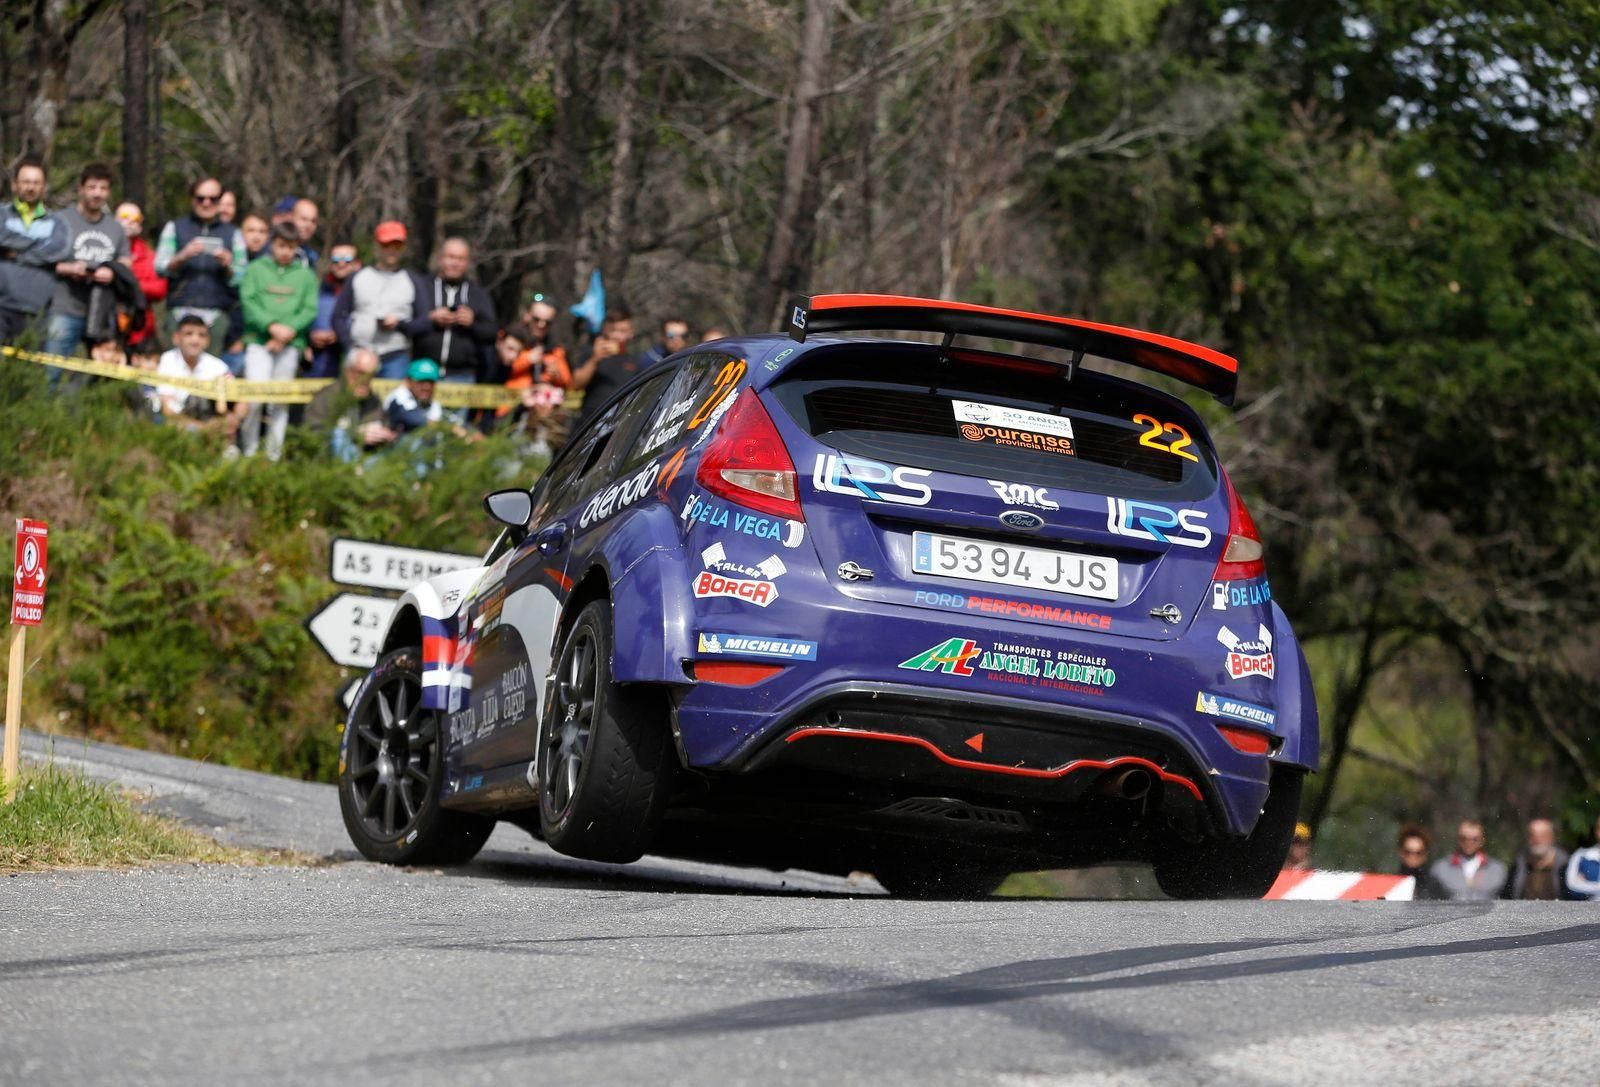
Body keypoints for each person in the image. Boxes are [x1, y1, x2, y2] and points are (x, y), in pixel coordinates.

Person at [239, 223, 318, 459]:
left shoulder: (306, 276)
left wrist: (287, 332)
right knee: (255, 398)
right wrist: (271, 327)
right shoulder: (256, 269)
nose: (285, 252)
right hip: (259, 342)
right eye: (281, 245)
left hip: (290, 345)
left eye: (291, 247)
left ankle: (273, 454)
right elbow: (249, 301)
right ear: (272, 244)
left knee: (280, 401)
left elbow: (309, 309)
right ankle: (249, 451)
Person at [44, 162, 131, 360]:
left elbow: (126, 261)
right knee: (53, 367)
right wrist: (70, 268)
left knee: (100, 372)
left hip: (102, 312)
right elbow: (43, 260)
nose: (97, 193)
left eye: (103, 188)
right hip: (64, 307)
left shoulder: (115, 227)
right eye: (92, 187)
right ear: (81, 189)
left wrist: (113, 272)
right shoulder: (60, 220)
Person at [153, 176, 247, 333]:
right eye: (200, 198)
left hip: (217, 315)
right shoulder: (174, 227)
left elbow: (241, 277)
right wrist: (182, 256)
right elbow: (159, 268)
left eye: (213, 199)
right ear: (192, 199)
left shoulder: (233, 233)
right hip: (179, 311)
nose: (206, 203)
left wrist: (228, 266)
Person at [404, 236, 496, 383]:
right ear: (440, 259)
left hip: (462, 375)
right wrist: (431, 319)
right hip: (422, 371)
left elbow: (491, 332)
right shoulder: (422, 287)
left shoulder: (477, 294)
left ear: (467, 263)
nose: (455, 263)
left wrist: (472, 323)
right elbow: (405, 325)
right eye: (451, 257)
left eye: (460, 259)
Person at [0, 158, 70, 344]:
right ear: (14, 185)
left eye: (36, 183)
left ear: (44, 187)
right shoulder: (2, 215)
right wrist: (39, 244)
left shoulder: (57, 223)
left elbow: (58, 251)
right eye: (26, 182)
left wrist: (15, 253)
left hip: (37, 311)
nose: (31, 187)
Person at [333, 220, 415, 379]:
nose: (391, 251)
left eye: (397, 246)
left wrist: (400, 324)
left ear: (403, 248)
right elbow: (338, 316)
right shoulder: (358, 277)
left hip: (395, 356)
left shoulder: (412, 280)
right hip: (360, 354)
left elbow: (423, 322)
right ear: (376, 246)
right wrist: (350, 348)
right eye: (386, 245)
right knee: (354, 395)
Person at [305, 346, 395, 460]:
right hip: (331, 460)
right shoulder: (326, 397)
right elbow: (312, 434)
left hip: (368, 458)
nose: (364, 379)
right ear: (347, 371)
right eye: (360, 373)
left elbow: (382, 424)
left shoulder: (373, 400)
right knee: (338, 435)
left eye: (370, 375)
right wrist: (353, 434)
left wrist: (386, 436)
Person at [153, 313, 233, 431]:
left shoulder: (219, 367)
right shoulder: (167, 360)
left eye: (201, 335)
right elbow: (167, 409)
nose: (195, 340)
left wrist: (231, 420)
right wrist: (202, 428)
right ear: (176, 338)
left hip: (212, 424)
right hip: (178, 425)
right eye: (189, 334)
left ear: (208, 340)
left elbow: (238, 402)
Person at [571, 307, 641, 423]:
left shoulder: (636, 360)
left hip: (621, 421)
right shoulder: (591, 353)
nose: (617, 335)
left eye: (622, 331)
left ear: (631, 333)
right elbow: (576, 384)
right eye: (612, 330)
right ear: (605, 330)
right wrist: (595, 359)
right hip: (590, 421)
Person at [116, 202, 166, 352]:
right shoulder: (104, 250)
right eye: (125, 217)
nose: (130, 222)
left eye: (136, 219)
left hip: (140, 328)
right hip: (107, 325)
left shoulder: (149, 256)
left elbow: (159, 289)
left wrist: (130, 283)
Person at [307, 243, 359, 379]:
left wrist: (341, 333)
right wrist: (310, 336)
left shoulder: (364, 289)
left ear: (357, 264)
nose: (341, 264)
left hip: (354, 349)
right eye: (336, 260)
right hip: (321, 356)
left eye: (347, 260)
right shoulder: (319, 289)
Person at [1426, 819, 1508, 901]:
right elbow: (1431, 900)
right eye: (1463, 838)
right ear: (1458, 839)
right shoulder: (1440, 868)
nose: (1469, 842)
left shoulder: (1497, 870)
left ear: (1482, 841)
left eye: (1475, 839)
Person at [1504, 818, 1569, 900]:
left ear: (1552, 837)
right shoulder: (1517, 866)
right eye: (1532, 835)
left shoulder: (1566, 867)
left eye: (1543, 836)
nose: (1537, 840)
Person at [385, 357, 443, 435]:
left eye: (430, 382)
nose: (426, 387)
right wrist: (448, 427)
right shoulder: (398, 398)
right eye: (421, 381)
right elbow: (413, 419)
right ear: (408, 381)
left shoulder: (434, 404)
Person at [1564, 814, 1600, 901]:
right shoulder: (1582, 856)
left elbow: (1578, 886)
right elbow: (1571, 887)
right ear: (1595, 831)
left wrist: (1585, 884)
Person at [1395, 824, 1436, 898]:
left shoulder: (1435, 887)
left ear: (1425, 855)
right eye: (1408, 852)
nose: (1413, 857)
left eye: (1418, 853)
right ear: (1400, 852)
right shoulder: (1391, 883)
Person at [291, 198, 320, 268]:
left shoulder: (311, 256)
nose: (308, 226)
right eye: (304, 219)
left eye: (313, 221)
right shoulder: (271, 251)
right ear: (291, 218)